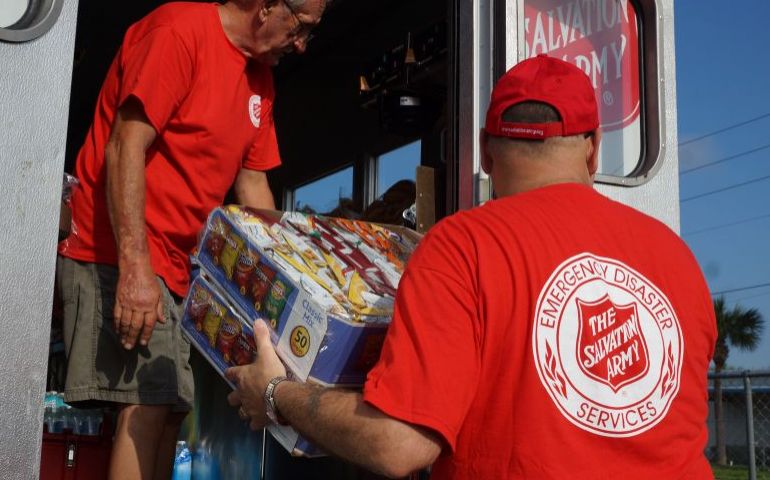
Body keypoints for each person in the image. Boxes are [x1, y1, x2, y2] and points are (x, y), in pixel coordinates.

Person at [225, 55, 716, 479]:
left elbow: (399, 445)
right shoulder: (677, 257)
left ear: (484, 149)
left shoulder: (462, 246)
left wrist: (274, 392)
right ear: (592, 148)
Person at [56, 0, 326, 478]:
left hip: (181, 265)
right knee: (146, 407)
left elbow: (253, 192)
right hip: (123, 247)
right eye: (301, 27)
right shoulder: (178, 32)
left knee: (173, 410)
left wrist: (301, 284)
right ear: (266, 8)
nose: (302, 45)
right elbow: (124, 146)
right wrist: (135, 269)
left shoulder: (259, 80)